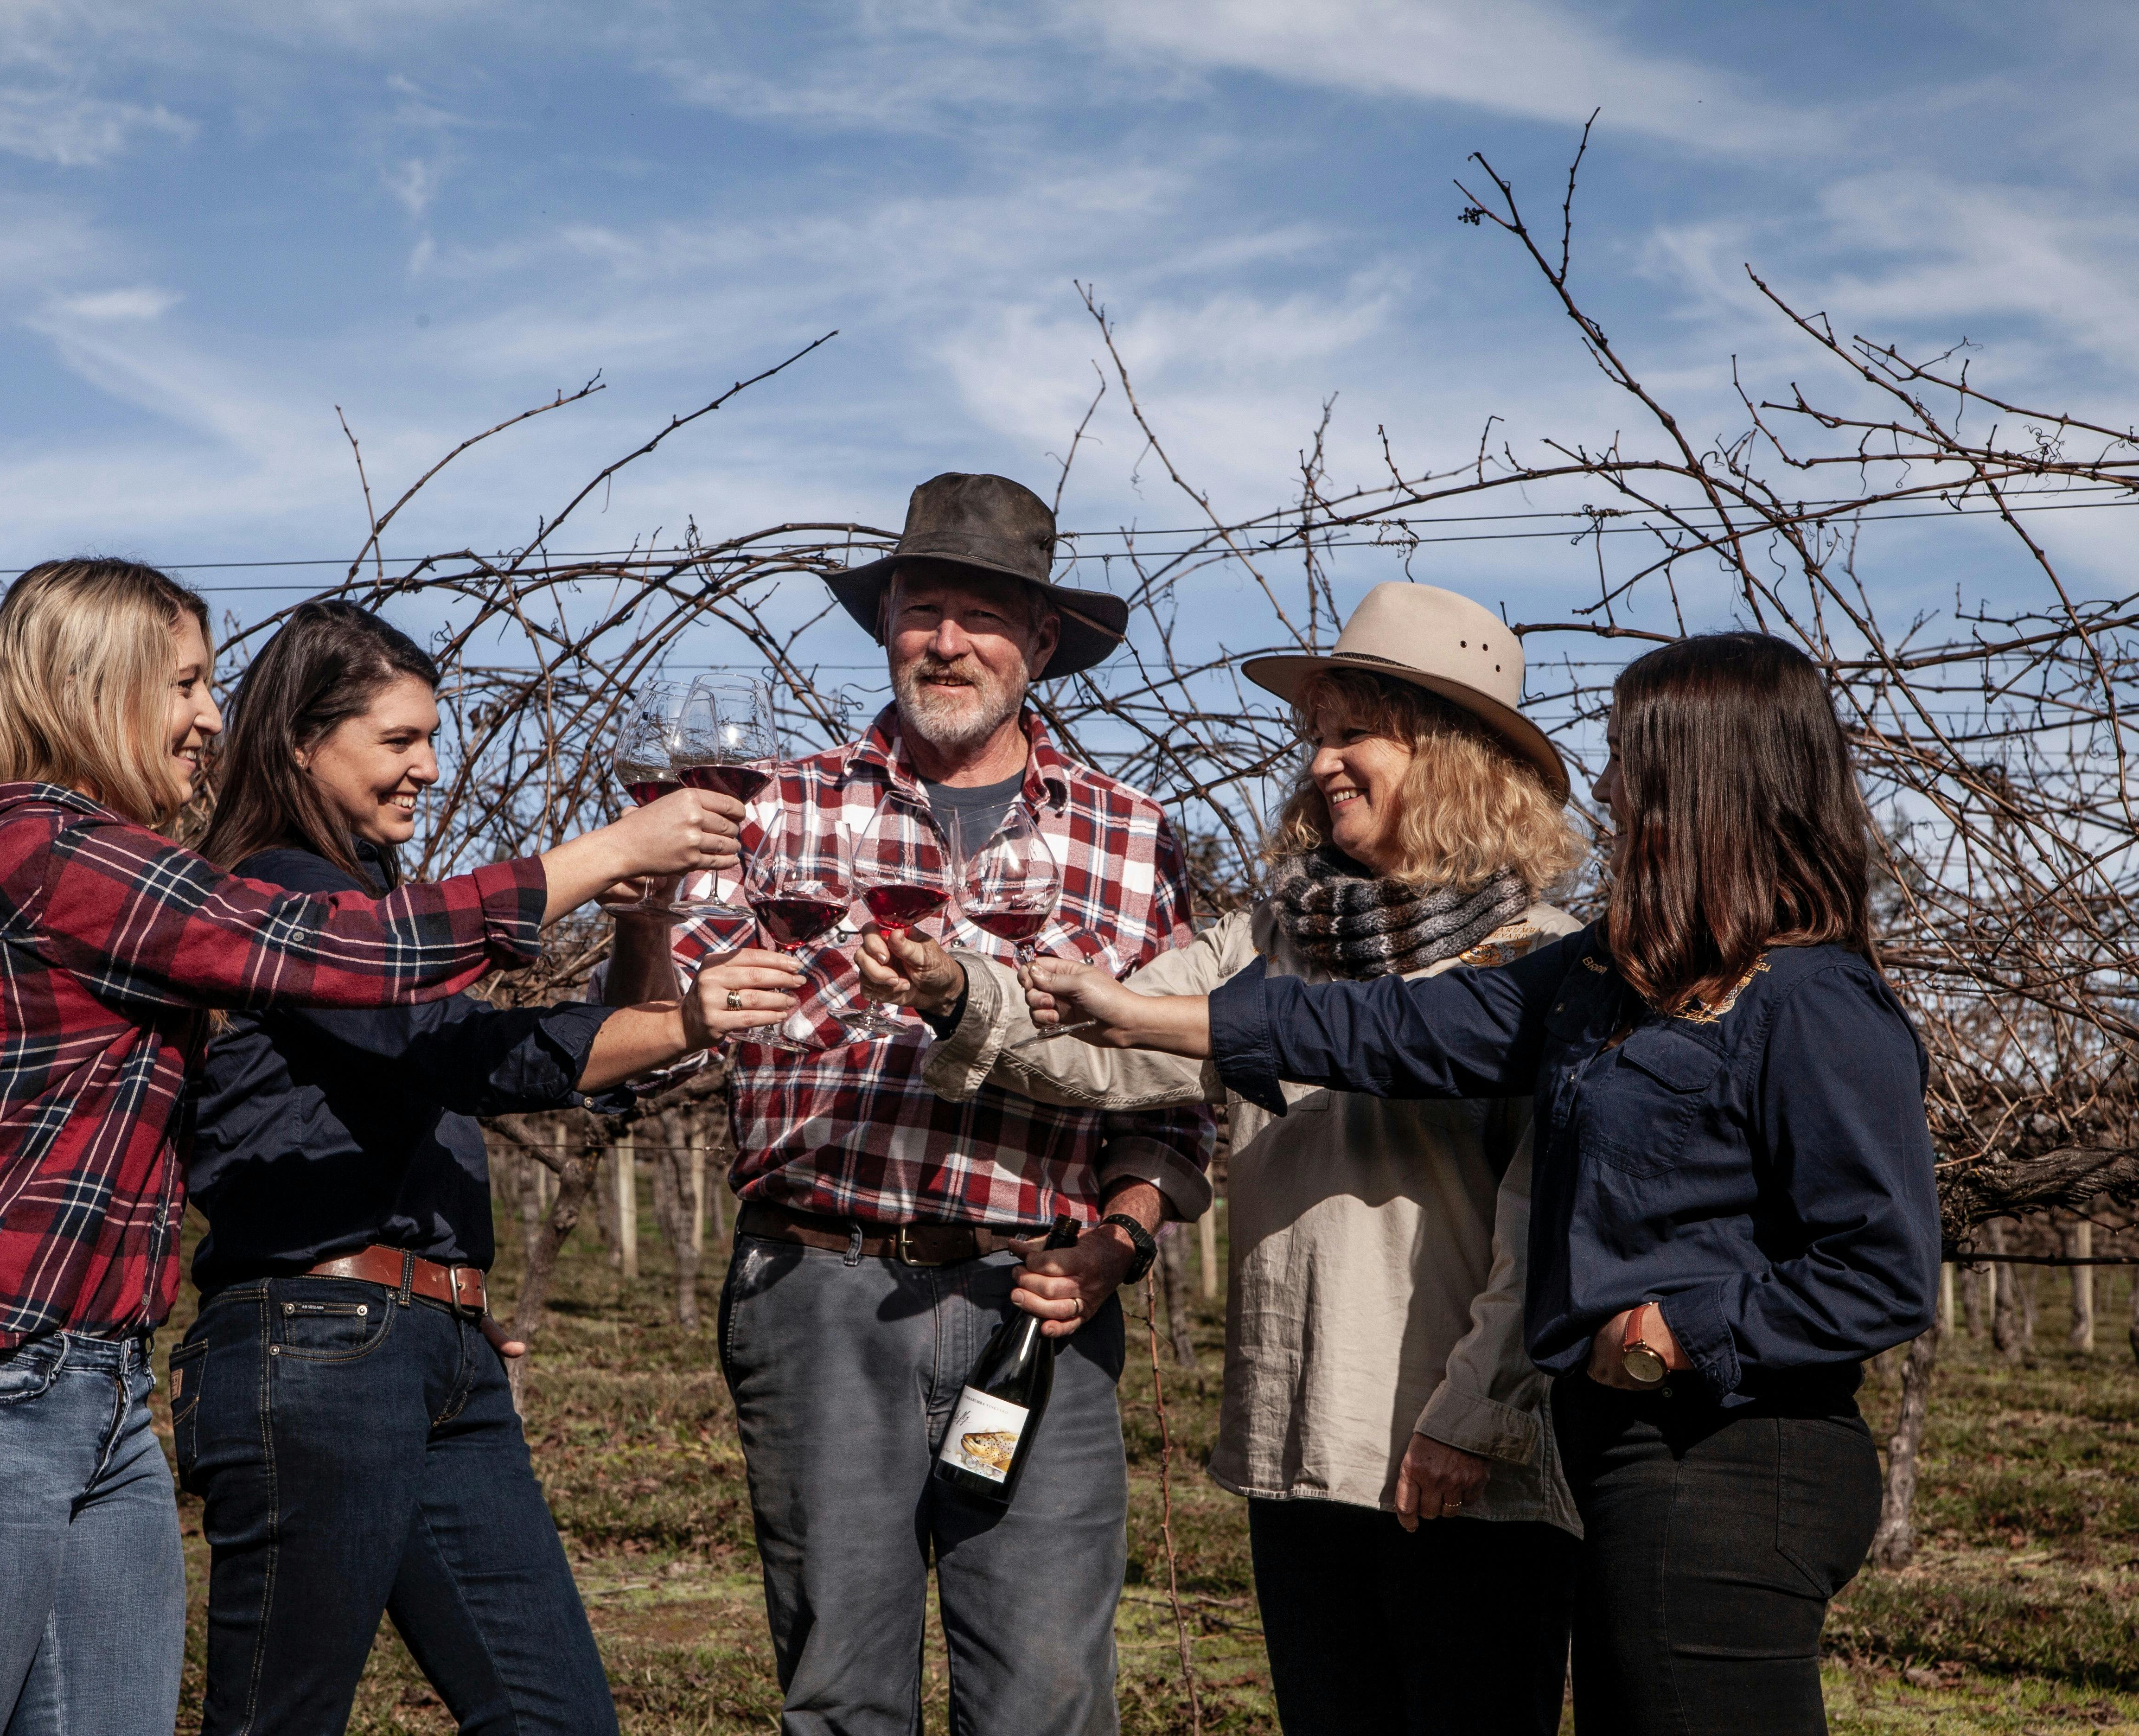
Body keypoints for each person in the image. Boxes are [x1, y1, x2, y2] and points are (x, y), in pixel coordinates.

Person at [0, 560, 742, 1736]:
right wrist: (607, 853)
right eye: (186, 685)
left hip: (101, 1383)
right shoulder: (49, 854)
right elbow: (349, 959)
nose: (213, 716)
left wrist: (435, 1302)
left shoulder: (129, 876)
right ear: (94, 688)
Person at [1015, 631, 1941, 1736]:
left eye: (1628, 758)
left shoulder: (1813, 1001)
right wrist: (1138, 1012)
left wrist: (1673, 1334)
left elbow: (1882, 1272)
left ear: (1705, 778)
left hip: (1737, 1458)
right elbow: (1398, 1029)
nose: (1607, 786)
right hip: (1631, 1454)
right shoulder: (1610, 974)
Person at [857, 581, 1591, 1736]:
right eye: (1318, 737)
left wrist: (1475, 1416)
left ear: (1453, 758)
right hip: (1302, 1439)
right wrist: (964, 992)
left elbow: (1547, 1224)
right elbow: (1107, 1044)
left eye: (1356, 735)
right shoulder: (1271, 942)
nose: (1322, 764)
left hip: (1459, 1456)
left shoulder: (1538, 963)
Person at [606, 473, 1218, 1735]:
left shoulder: (1131, 835)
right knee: (842, 1693)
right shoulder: (773, 808)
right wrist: (644, 920)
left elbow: (1172, 1095)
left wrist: (1120, 1240)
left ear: (1040, 641)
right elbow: (658, 1047)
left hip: (1037, 1301)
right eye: (921, 610)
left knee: (1047, 1698)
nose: (947, 641)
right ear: (885, 624)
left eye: (981, 616)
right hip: (820, 1291)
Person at [173, 602, 799, 1735]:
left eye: (433, 738)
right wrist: (676, 993)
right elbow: (459, 1052)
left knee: (556, 1718)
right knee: (280, 1719)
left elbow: (588, 1060)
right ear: (303, 744)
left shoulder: (371, 904)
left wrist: (645, 924)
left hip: (433, 1349)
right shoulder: (277, 893)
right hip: (316, 1347)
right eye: (398, 740)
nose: (429, 767)